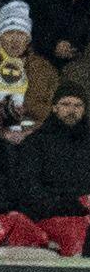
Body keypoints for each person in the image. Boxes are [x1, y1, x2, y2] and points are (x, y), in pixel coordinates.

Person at [0, 0, 60, 129]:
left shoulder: (44, 69)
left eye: (21, 33)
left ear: (28, 39)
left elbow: (56, 109)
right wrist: (2, 128)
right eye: (9, 33)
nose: (15, 39)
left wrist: (29, 121)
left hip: (37, 135)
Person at [16, 82, 90, 219]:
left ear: (84, 109)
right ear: (54, 107)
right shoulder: (36, 142)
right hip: (49, 217)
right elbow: (29, 187)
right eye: (65, 104)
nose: (72, 110)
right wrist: (65, 207)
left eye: (78, 105)